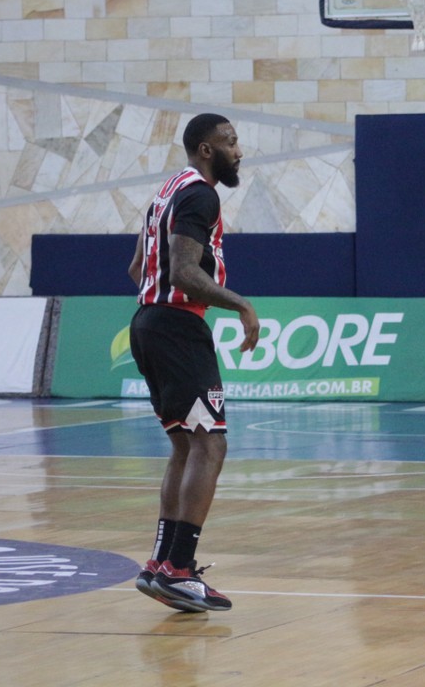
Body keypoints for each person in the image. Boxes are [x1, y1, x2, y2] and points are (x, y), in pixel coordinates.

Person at [128, 113, 260, 611]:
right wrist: (242, 304)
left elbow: (138, 267)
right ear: (206, 150)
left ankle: (161, 564)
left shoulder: (165, 192)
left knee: (186, 446)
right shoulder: (201, 194)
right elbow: (183, 272)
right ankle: (180, 568)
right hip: (176, 327)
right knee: (211, 446)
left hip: (148, 322)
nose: (239, 150)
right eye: (230, 142)